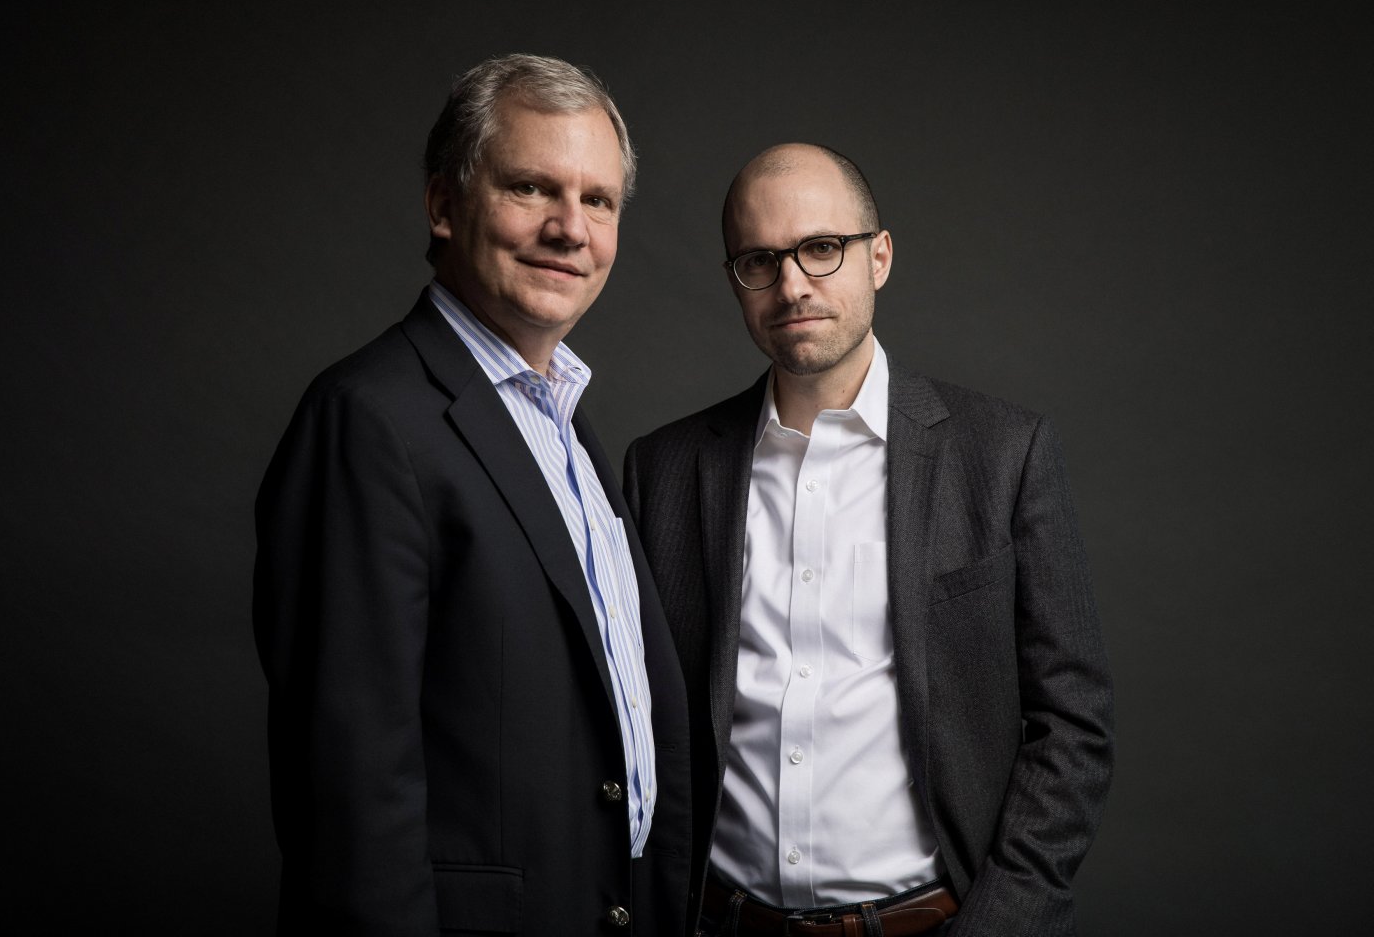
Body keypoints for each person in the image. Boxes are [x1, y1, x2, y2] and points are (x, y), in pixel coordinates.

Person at [623, 143, 1113, 936]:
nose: (791, 285)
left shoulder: (1002, 453)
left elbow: (1074, 722)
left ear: (878, 256)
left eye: (821, 248)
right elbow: (638, 727)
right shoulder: (666, 470)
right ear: (734, 281)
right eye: (760, 259)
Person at [254, 54, 691, 936]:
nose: (572, 229)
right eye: (532, 188)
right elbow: (350, 787)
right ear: (444, 204)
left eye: (598, 201)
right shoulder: (369, 420)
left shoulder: (564, 423)